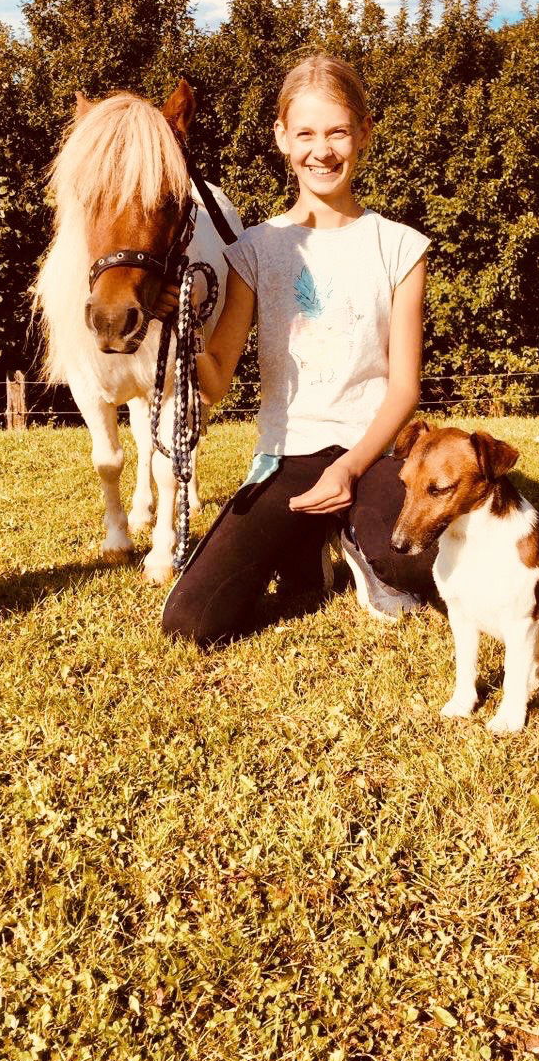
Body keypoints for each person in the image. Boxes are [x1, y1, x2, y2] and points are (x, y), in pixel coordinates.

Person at [162, 54, 436, 646]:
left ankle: (362, 543)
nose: (323, 150)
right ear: (282, 138)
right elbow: (216, 381)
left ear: (364, 132)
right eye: (306, 133)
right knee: (190, 623)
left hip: (376, 453)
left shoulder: (399, 247)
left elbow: (405, 387)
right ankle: (313, 542)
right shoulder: (255, 250)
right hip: (287, 456)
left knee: (417, 566)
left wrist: (350, 468)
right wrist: (180, 332)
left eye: (338, 131)